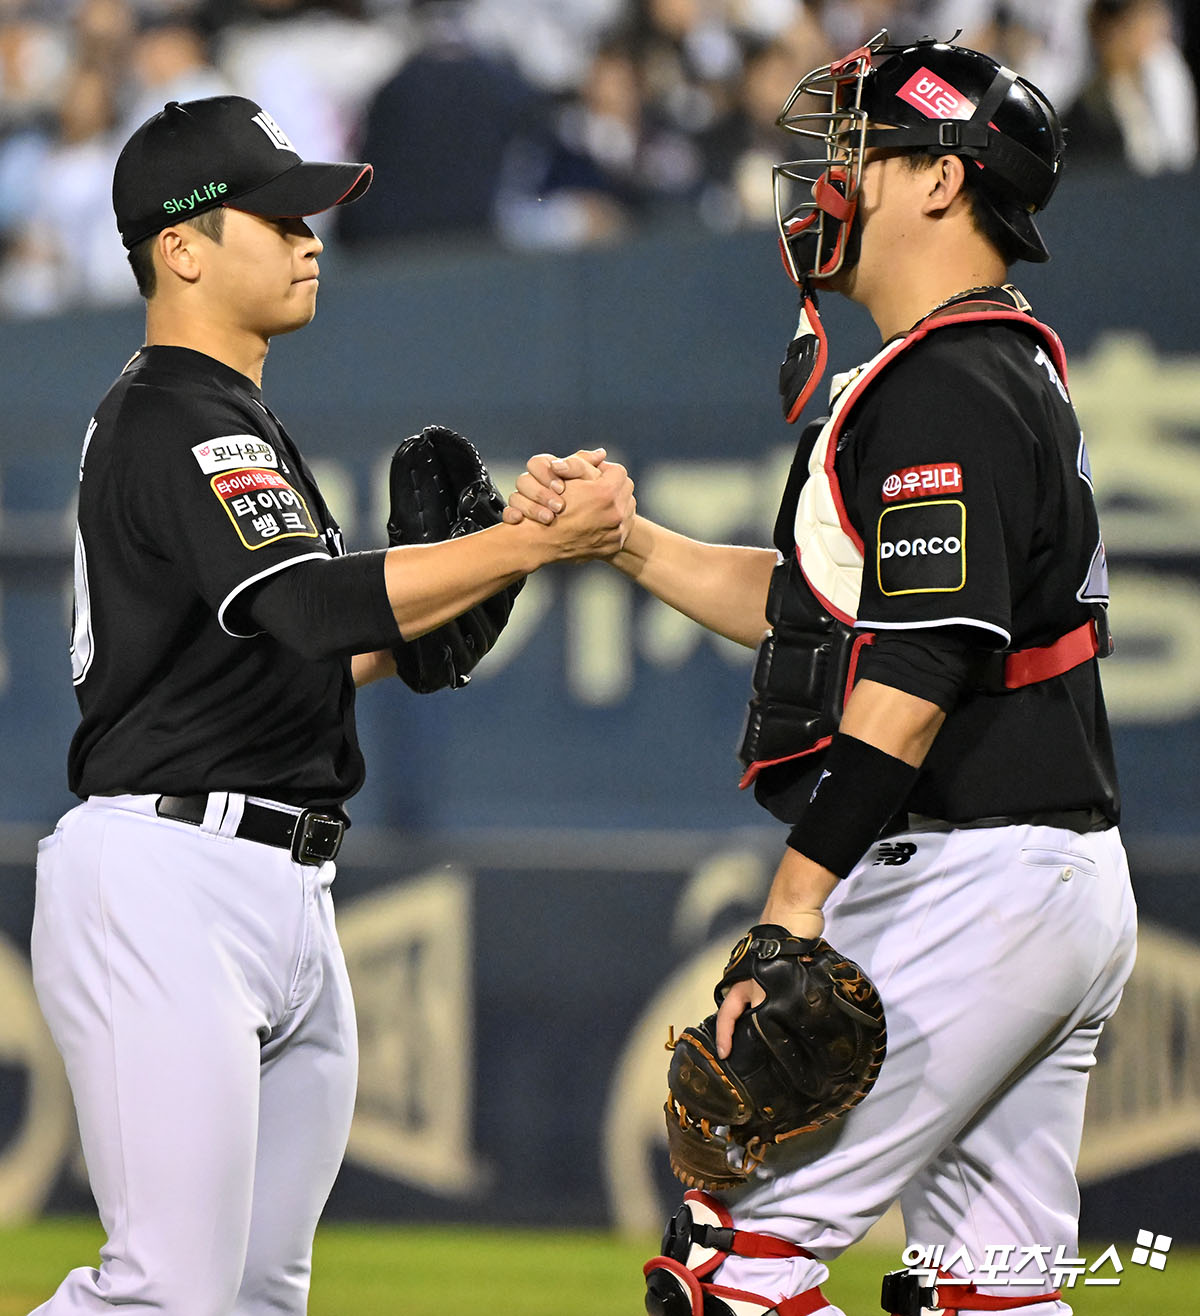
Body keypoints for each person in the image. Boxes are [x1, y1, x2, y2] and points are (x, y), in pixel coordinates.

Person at [508, 33, 1136, 1316]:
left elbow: (931, 650)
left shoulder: (949, 383)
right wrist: (625, 538)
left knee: (732, 1268)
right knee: (992, 1291)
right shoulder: (982, 361)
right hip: (1051, 875)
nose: (827, 174)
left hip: (974, 873)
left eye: (860, 146)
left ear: (942, 181)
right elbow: (823, 610)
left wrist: (798, 897)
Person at [30, 94, 633, 1315]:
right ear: (182, 246)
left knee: (253, 1297)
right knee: (167, 1295)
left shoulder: (233, 415)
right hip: (170, 876)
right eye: (278, 213)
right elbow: (312, 608)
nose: (311, 236)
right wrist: (523, 543)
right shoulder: (177, 413)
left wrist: (426, 612)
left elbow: (294, 653)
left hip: (278, 880)